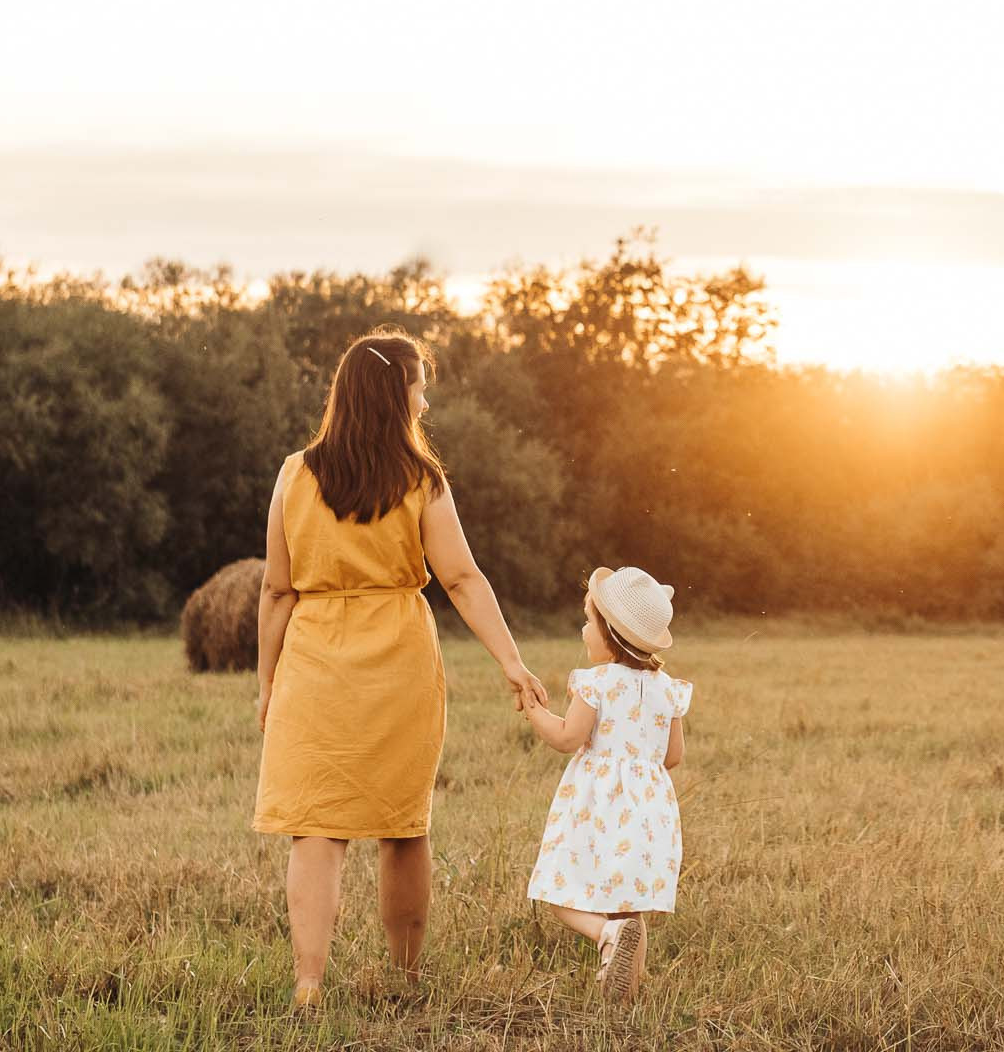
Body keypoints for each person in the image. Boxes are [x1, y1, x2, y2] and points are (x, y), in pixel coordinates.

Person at [252, 328, 551, 1008]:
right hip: (398, 660)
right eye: (419, 386)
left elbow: (276, 589)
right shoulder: (422, 480)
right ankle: (406, 977)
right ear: (397, 393)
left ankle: (309, 982)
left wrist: (268, 683)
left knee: (316, 827)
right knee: (402, 826)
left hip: (315, 658)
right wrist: (511, 660)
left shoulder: (295, 473)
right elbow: (462, 579)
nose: (424, 400)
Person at [521, 564, 691, 1004]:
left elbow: (566, 737)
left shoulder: (597, 682)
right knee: (630, 909)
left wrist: (533, 710)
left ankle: (604, 933)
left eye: (587, 621)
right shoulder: (666, 688)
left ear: (610, 634)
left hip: (597, 808)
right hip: (650, 813)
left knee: (559, 891)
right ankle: (625, 994)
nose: (583, 630)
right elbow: (673, 756)